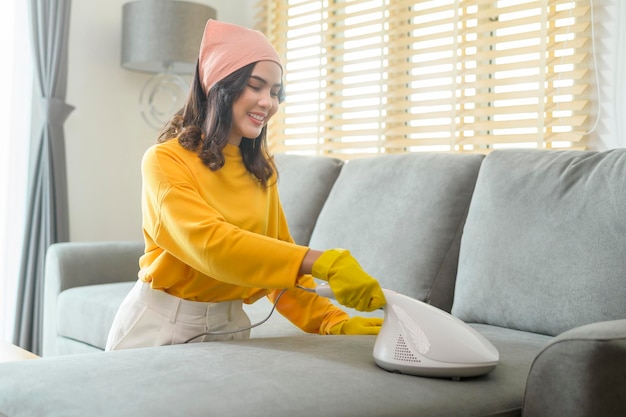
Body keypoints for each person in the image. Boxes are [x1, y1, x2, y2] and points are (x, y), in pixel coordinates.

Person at [105, 20, 385, 351]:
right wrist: (322, 260)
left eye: (276, 92)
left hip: (232, 329)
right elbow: (212, 246)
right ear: (221, 86)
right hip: (160, 327)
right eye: (255, 86)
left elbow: (275, 266)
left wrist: (330, 320)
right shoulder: (165, 162)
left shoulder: (261, 172)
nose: (268, 103)